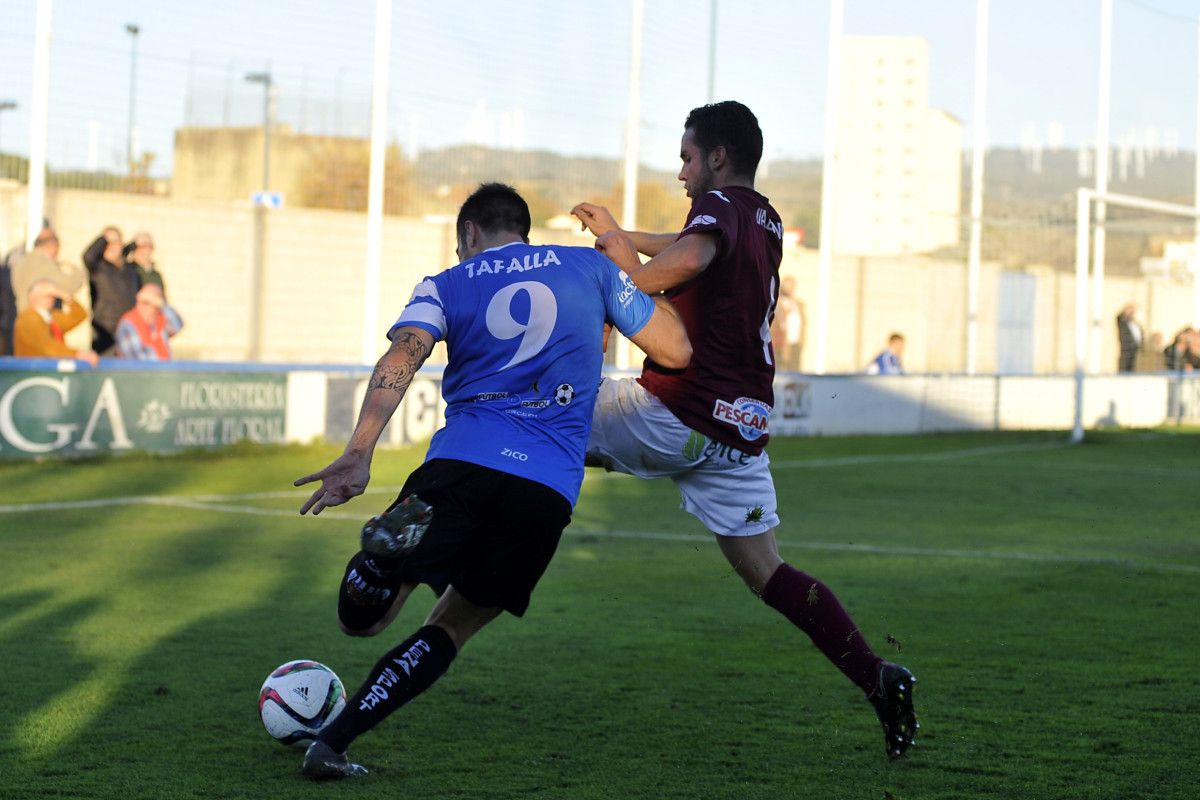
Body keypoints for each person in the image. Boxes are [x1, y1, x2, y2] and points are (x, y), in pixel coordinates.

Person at [291, 183, 690, 779]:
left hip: (459, 466)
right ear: (523, 228)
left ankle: (378, 565)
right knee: (449, 628)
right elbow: (676, 350)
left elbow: (403, 355)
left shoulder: (446, 284)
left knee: (364, 620)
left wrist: (358, 451)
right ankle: (333, 744)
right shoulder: (589, 268)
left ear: (469, 235)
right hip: (546, 489)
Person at [570, 101, 918, 760]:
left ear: (718, 158)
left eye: (686, 156)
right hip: (741, 431)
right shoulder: (767, 219)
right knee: (769, 573)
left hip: (675, 412)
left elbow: (693, 253)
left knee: (532, 416)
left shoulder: (719, 210)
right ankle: (879, 678)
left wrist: (618, 293)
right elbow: (694, 244)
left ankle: (411, 554)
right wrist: (623, 237)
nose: (680, 170)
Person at [12, 279, 100, 365]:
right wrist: (77, 354)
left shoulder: (50, 318)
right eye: (46, 295)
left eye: (53, 296)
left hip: (48, 368)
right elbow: (47, 346)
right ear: (32, 297)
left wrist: (64, 295)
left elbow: (79, 315)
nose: (51, 299)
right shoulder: (27, 318)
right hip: (32, 370)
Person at [83, 226, 140, 355]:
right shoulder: (98, 267)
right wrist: (104, 238)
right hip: (105, 330)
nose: (112, 245)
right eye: (108, 242)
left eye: (116, 241)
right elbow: (88, 256)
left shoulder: (129, 268)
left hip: (129, 328)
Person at [9, 225, 86, 315]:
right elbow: (72, 284)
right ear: (53, 246)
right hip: (40, 319)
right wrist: (74, 269)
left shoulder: (21, 263)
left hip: (22, 316)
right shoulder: (45, 264)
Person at [114, 283, 183, 360]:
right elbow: (137, 362)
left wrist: (162, 304)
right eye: (144, 303)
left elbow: (178, 325)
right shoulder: (128, 324)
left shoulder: (159, 319)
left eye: (155, 305)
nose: (145, 307)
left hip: (163, 370)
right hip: (141, 371)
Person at [769, 275, 805, 371]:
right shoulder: (777, 302)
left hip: (796, 343)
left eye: (791, 286)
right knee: (782, 369)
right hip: (781, 343)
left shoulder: (798, 304)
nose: (789, 289)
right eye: (787, 286)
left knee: (795, 369)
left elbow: (803, 322)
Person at [1116, 303, 1143, 373]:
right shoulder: (1122, 322)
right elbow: (1119, 318)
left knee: (1134, 368)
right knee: (1125, 368)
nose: (1132, 313)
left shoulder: (1134, 323)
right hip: (1126, 350)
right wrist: (1126, 311)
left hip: (1136, 351)